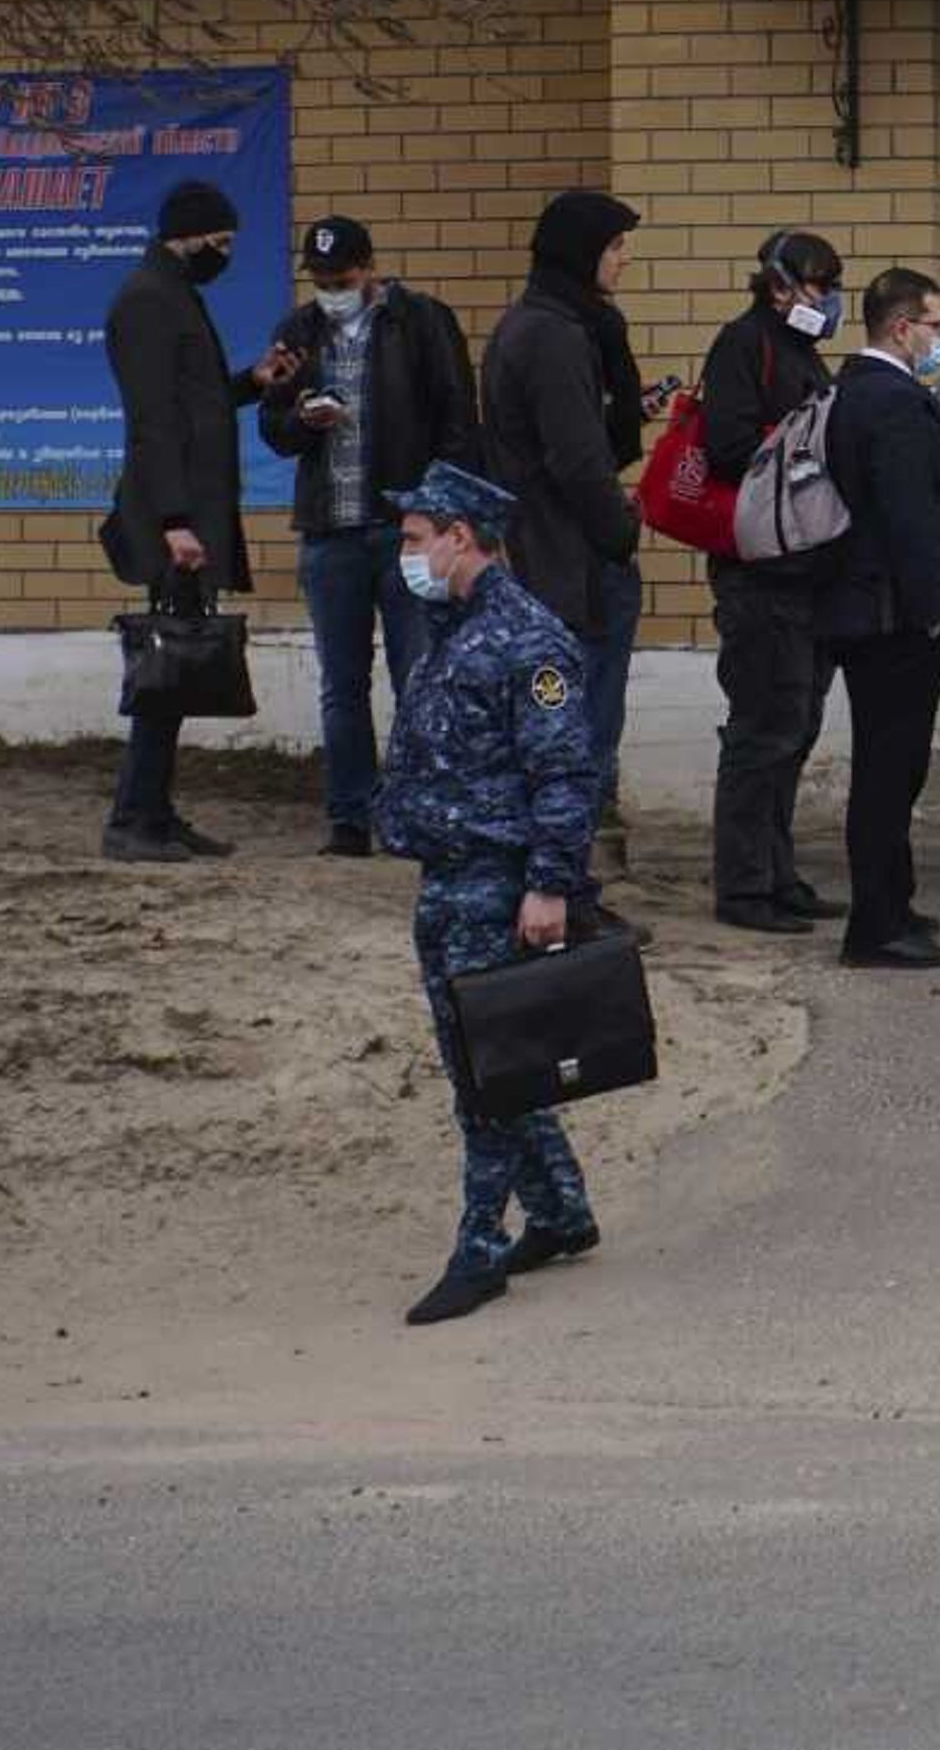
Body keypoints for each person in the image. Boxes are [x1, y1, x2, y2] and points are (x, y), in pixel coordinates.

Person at [371, 462, 602, 1327]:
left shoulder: (525, 639)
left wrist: (549, 885)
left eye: (415, 540)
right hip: (448, 877)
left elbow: (565, 773)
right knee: (490, 1058)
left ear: (459, 538)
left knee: (483, 1075)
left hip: (494, 884)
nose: (407, 555)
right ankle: (561, 1211)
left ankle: (479, 1249)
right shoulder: (455, 627)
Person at [255, 214, 478, 858]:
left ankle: (418, 811)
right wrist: (301, 418)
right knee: (342, 684)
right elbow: (273, 428)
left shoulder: (421, 323)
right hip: (331, 532)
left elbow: (456, 421)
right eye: (321, 279)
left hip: (404, 530)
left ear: (370, 268)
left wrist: (442, 518)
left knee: (419, 677)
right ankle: (350, 817)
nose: (331, 289)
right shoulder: (297, 332)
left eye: (342, 278)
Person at [98, 179, 297, 863]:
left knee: (174, 670)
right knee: (166, 665)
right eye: (221, 241)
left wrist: (254, 382)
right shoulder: (148, 301)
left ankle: (152, 810)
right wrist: (175, 521)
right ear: (187, 232)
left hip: (188, 516)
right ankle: (133, 820)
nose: (226, 253)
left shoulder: (173, 294)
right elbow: (153, 422)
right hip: (173, 521)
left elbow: (194, 401)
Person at [484, 191, 655, 932]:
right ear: (581, 254)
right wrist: (618, 531)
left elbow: (601, 438)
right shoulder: (550, 336)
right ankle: (566, 901)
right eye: (614, 249)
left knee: (563, 739)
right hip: (569, 569)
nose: (623, 261)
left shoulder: (557, 326)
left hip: (555, 560)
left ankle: (555, 891)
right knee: (574, 744)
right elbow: (581, 460)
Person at [817, 268, 940, 968]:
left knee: (888, 764)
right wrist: (935, 609)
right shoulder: (897, 401)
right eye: (935, 324)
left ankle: (894, 904)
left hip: (860, 605)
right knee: (889, 770)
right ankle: (875, 927)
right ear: (902, 327)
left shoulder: (851, 390)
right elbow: (911, 518)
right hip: (895, 615)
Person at [697, 229, 849, 936]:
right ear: (778, 283)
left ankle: (779, 874)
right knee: (762, 731)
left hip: (807, 571)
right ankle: (744, 887)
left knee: (796, 727)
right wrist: (809, 449)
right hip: (760, 573)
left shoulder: (800, 352)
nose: (827, 299)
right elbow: (728, 445)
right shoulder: (742, 344)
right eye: (818, 285)